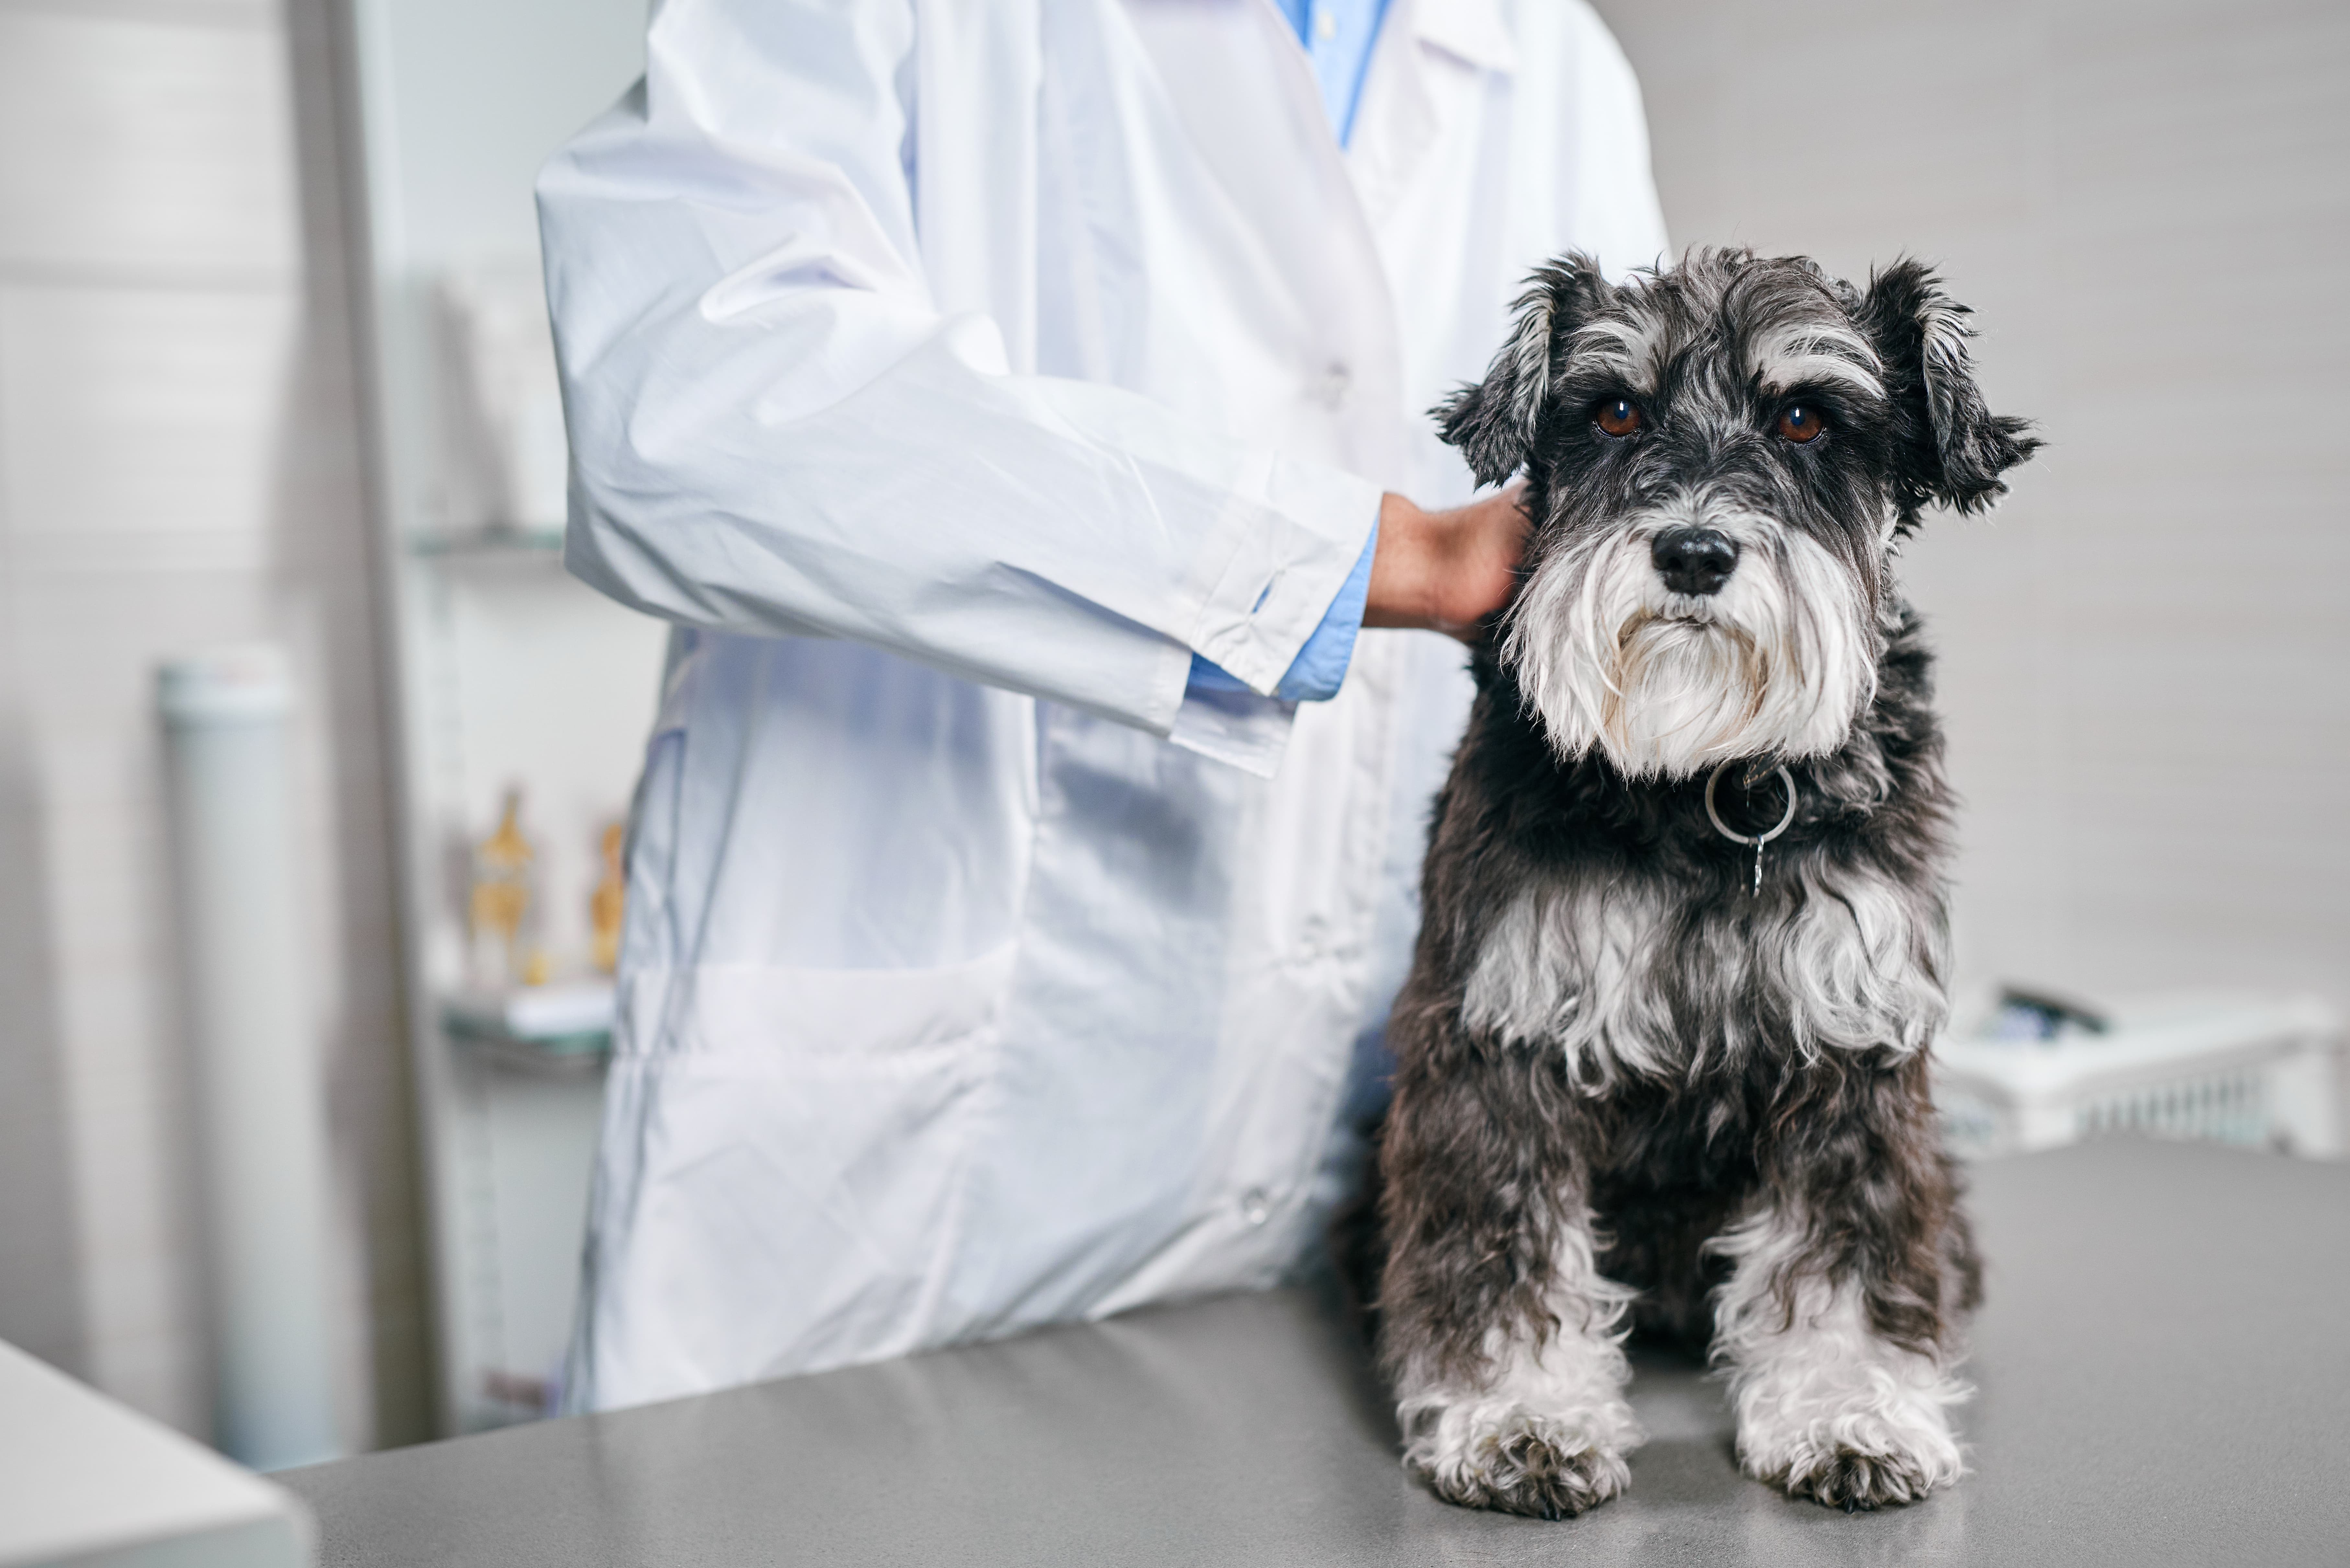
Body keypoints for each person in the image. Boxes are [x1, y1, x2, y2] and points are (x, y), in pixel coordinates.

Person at [538, 0, 1667, 1412]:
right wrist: (1353, 558)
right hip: (880, 1215)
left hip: (1329, 1234)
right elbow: (682, 395)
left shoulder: (1551, 62)